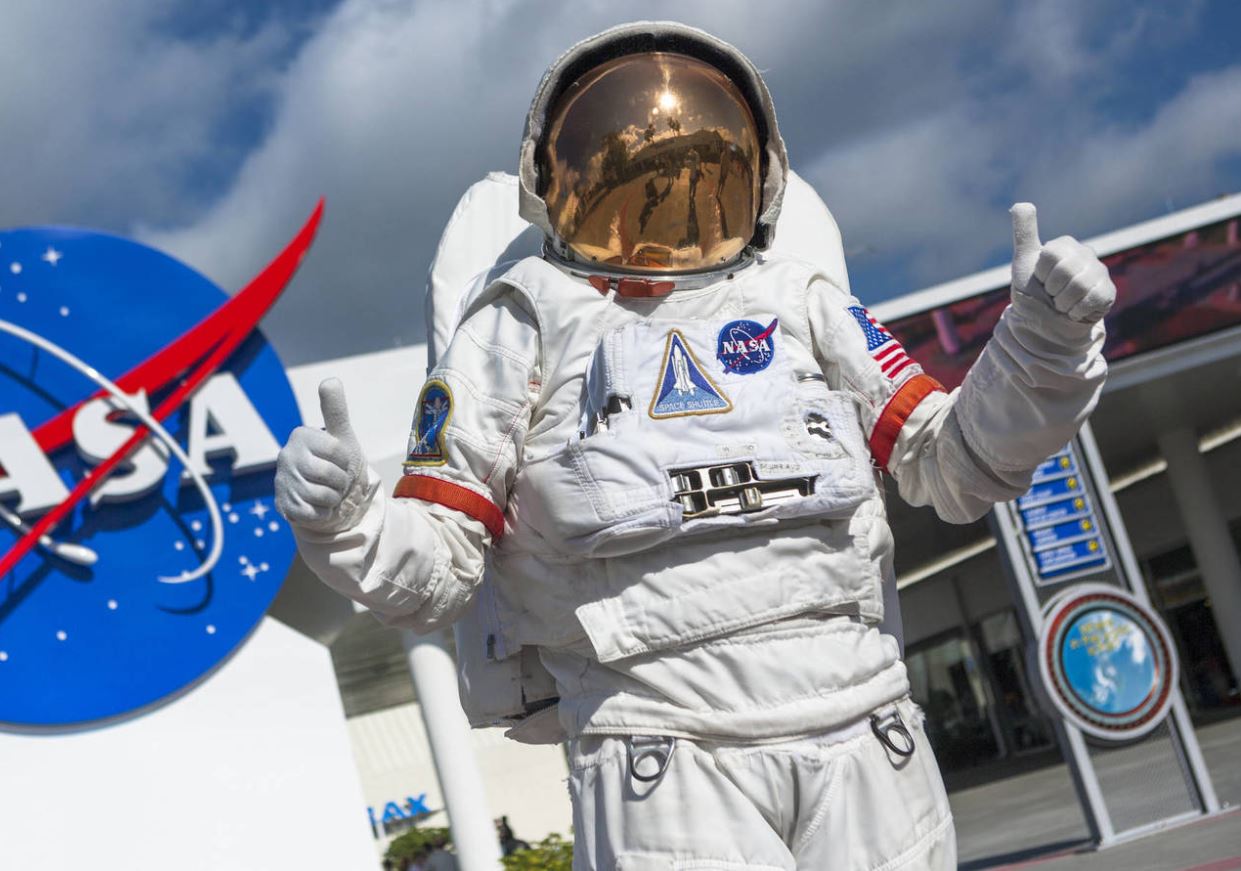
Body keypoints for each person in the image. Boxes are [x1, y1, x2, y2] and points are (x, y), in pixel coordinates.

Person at [276, 21, 1115, 869]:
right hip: (659, 739)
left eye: (699, 169)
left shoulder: (800, 297)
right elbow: (439, 562)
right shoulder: (522, 316)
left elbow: (954, 462)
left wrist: (1041, 345)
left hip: (863, 718)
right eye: (624, 169)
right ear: (551, 180)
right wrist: (349, 522)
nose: (662, 196)